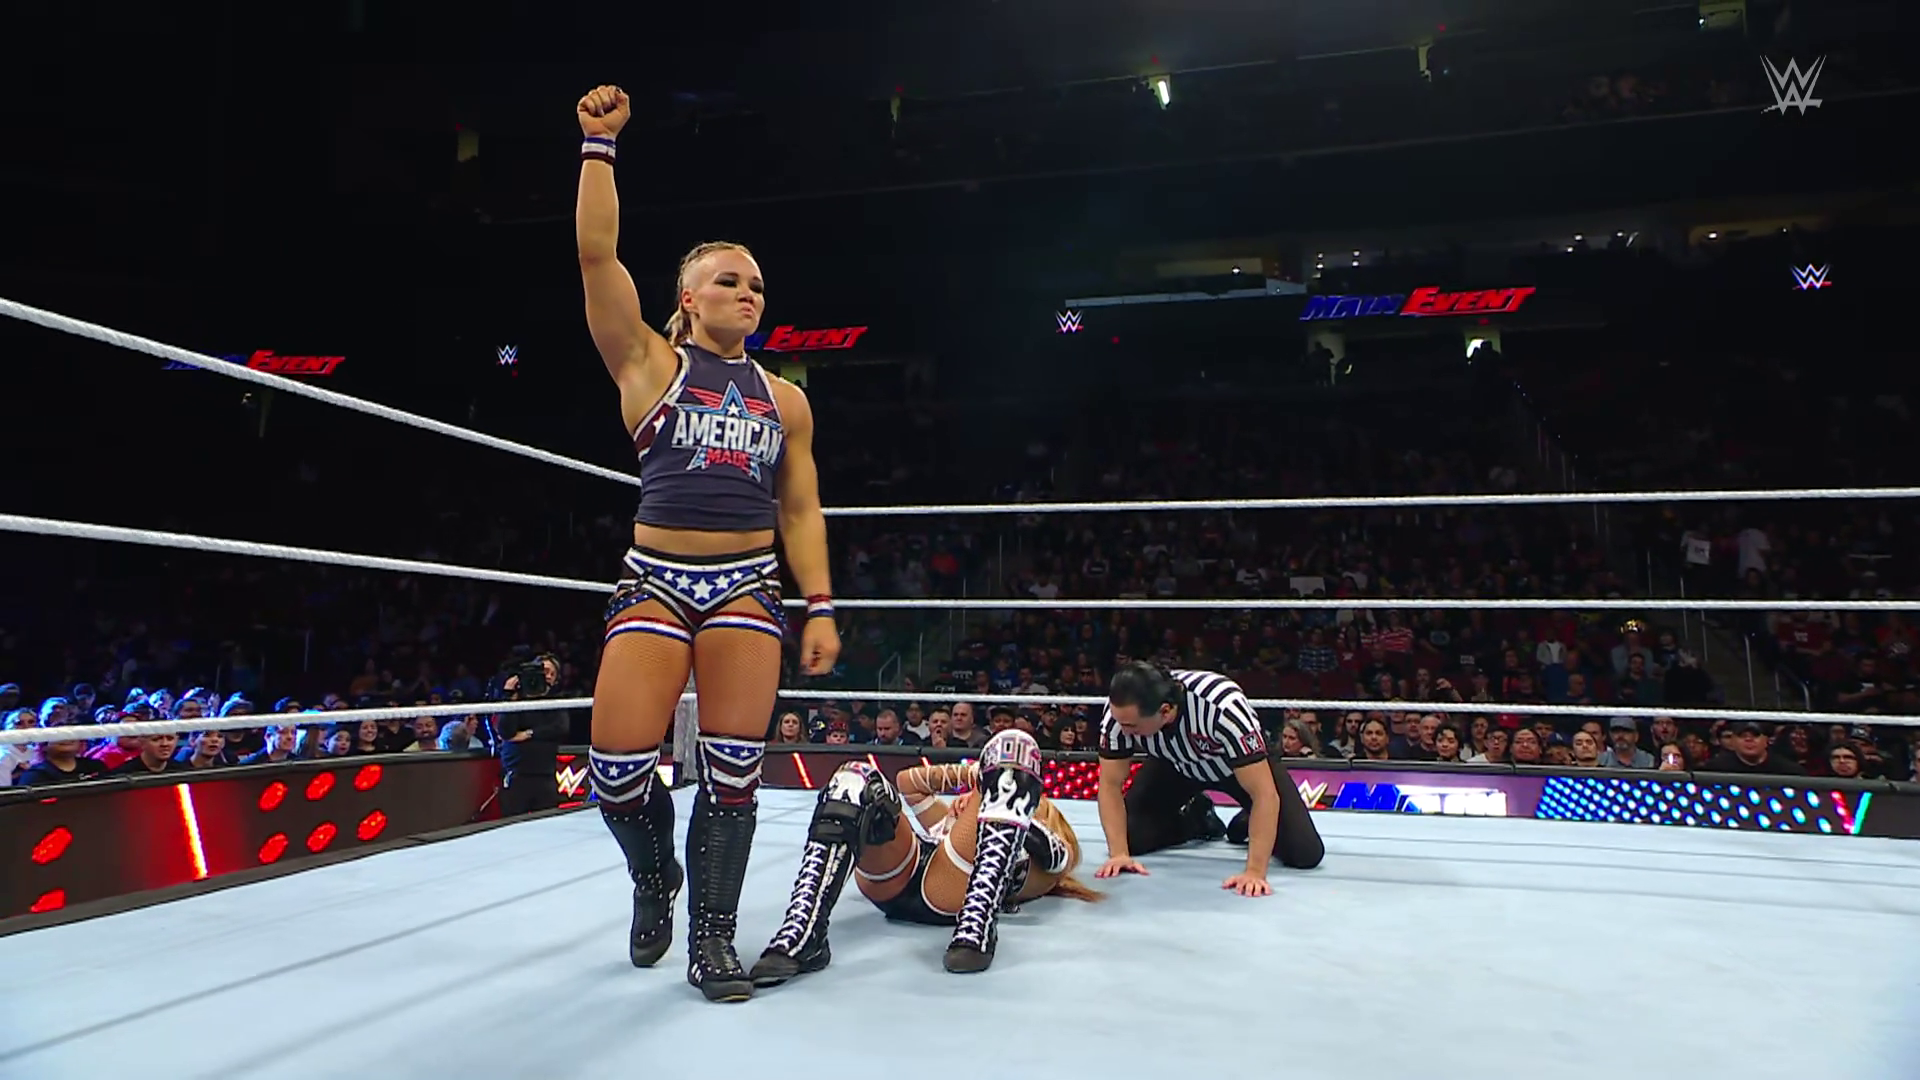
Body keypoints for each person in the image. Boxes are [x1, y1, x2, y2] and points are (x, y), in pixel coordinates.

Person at [575, 84, 841, 1003]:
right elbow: (597, 254)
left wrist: (821, 605)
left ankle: (713, 942)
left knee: (733, 775)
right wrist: (599, 147)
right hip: (655, 577)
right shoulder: (649, 362)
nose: (748, 292)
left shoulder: (786, 400)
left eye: (757, 284)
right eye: (730, 280)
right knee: (616, 770)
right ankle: (655, 877)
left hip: (746, 585)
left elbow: (800, 508)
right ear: (687, 299)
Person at [750, 729, 1097, 983]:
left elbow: (1058, 858)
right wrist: (975, 777)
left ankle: (977, 930)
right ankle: (804, 935)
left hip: (953, 891)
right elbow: (907, 781)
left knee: (1014, 747)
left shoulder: (1041, 847)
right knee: (855, 778)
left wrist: (991, 797)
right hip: (903, 875)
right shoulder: (946, 821)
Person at [1094, 662, 1325, 896]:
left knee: (1304, 852)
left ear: (1164, 711)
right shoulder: (1121, 713)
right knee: (1128, 836)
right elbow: (1110, 785)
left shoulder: (1222, 707)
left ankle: (1249, 820)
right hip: (1174, 763)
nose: (1122, 730)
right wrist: (1119, 854)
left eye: (1131, 726)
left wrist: (1255, 872)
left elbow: (1264, 794)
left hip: (1237, 769)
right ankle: (1196, 820)